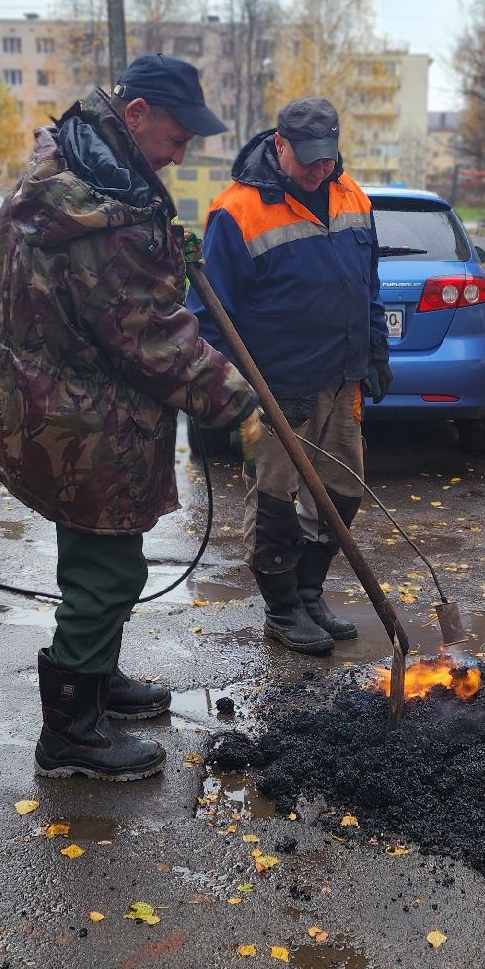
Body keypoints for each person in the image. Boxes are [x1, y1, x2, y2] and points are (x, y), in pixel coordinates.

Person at [0, 54, 261, 781]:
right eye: (175, 137)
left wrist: (166, 249)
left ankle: (95, 683)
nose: (181, 152)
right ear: (134, 116)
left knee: (106, 563)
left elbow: (118, 288)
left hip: (68, 410)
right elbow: (148, 337)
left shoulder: (89, 169)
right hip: (80, 423)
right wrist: (238, 403)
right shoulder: (92, 206)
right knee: (104, 573)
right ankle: (71, 737)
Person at [188, 98, 392, 657]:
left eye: (327, 159)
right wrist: (221, 389)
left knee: (343, 490)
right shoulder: (237, 211)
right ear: (278, 144)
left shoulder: (352, 196)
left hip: (342, 379)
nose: (319, 170)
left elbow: (367, 283)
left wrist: (376, 352)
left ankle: (309, 592)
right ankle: (280, 608)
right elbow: (209, 313)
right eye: (307, 160)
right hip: (271, 392)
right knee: (274, 498)